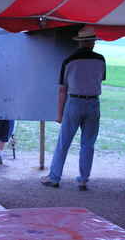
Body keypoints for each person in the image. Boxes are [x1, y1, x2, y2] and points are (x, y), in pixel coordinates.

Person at [40, 26, 106, 191]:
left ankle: (54, 178)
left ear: (79, 42)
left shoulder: (68, 61)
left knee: (64, 143)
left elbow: (63, 90)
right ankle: (83, 179)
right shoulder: (101, 60)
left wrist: (59, 114)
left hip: (74, 102)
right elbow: (101, 79)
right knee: (88, 143)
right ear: (93, 43)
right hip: (93, 103)